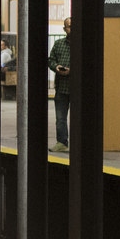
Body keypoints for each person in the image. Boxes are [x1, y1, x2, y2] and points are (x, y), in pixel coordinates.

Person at [47, 18, 73, 148]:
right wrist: (56, 67)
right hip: (61, 87)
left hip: (76, 88)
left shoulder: (83, 44)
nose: (71, 29)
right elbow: (51, 60)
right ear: (64, 29)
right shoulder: (58, 44)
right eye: (69, 26)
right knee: (60, 118)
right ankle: (62, 142)